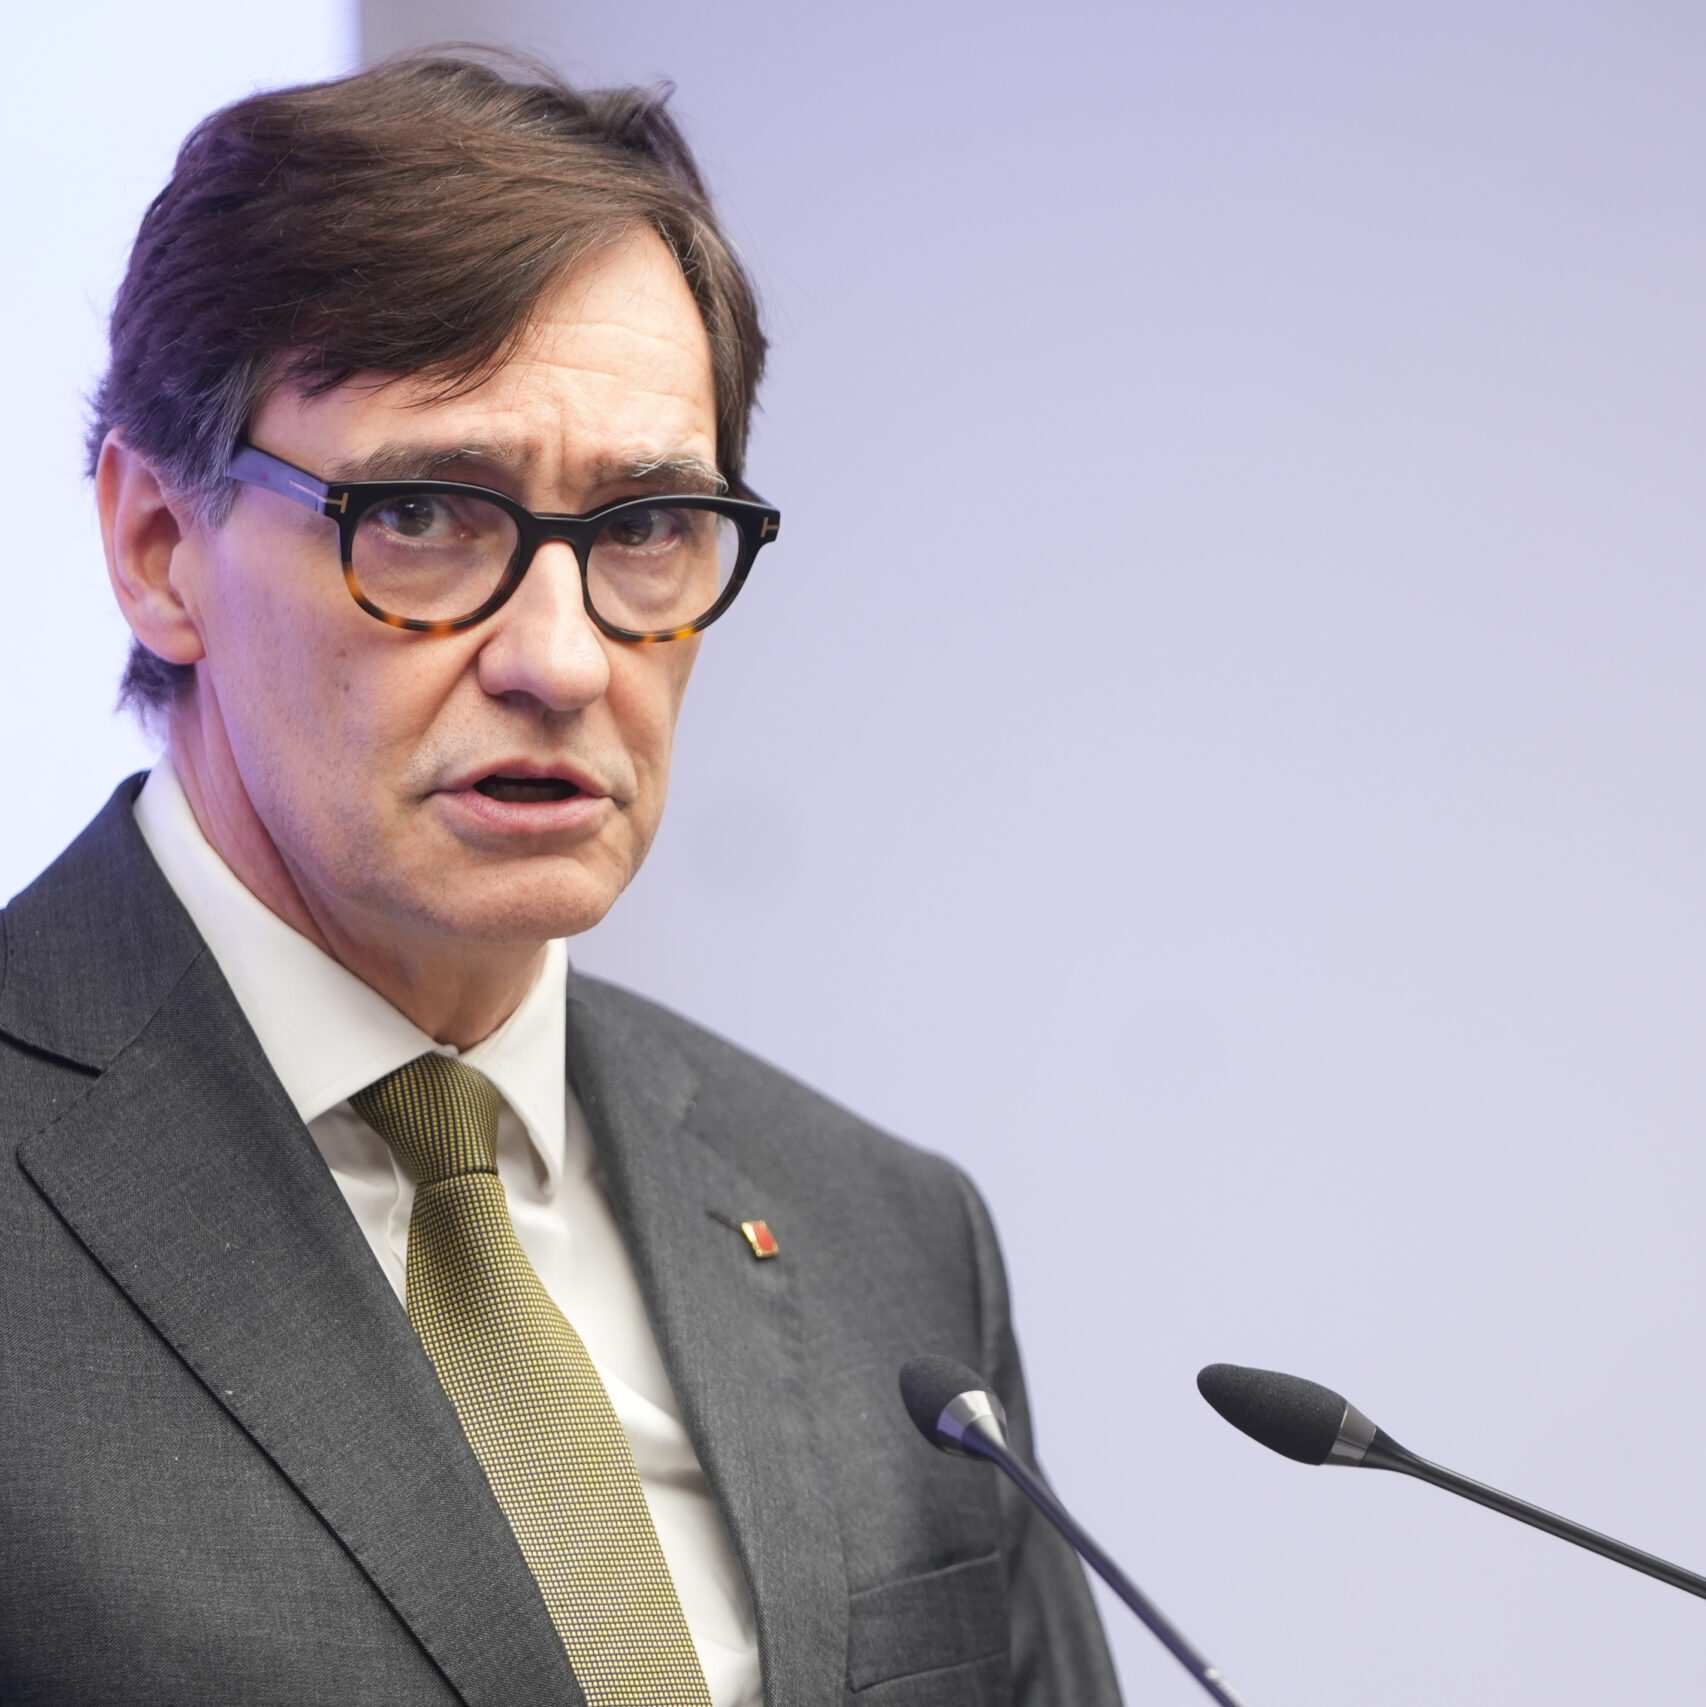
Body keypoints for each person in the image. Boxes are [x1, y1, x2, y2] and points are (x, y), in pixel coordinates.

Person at [0, 53, 1118, 1707]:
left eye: (648, 527)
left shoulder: (887, 1236)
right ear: (160, 547)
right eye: (426, 514)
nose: (564, 659)